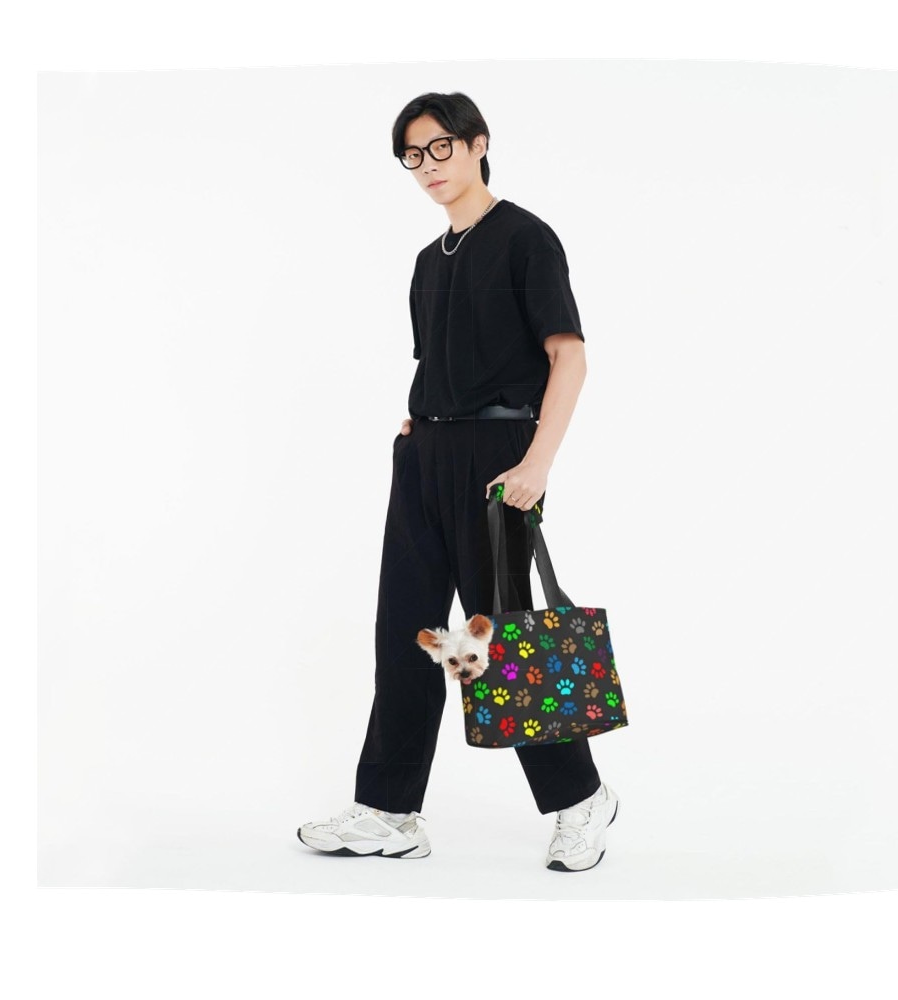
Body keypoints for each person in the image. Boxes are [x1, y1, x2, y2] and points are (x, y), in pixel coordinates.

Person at [297, 91, 619, 872]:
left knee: (500, 636)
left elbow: (568, 357)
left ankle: (581, 800)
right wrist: (420, 430)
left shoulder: (526, 238)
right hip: (425, 455)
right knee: (404, 632)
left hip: (498, 461)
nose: (427, 166)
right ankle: (390, 810)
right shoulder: (426, 262)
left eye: (440, 147)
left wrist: (537, 463)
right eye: (413, 155)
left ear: (478, 143)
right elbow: (441, 361)